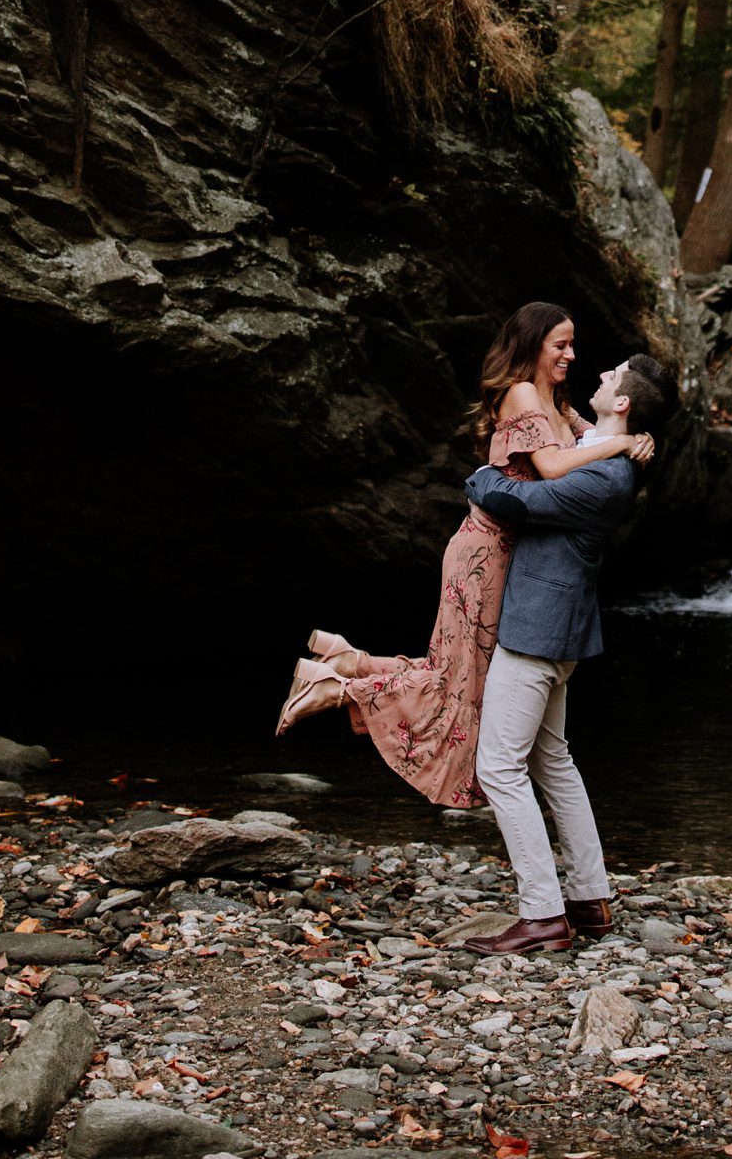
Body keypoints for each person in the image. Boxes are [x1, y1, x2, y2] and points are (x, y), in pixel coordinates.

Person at [272, 307, 658, 845]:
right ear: (532, 345)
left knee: (456, 677)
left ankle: (345, 662)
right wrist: (622, 443)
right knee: (456, 684)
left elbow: (592, 444)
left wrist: (635, 437)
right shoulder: (523, 394)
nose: (572, 355)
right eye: (560, 345)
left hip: (509, 557)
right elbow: (549, 469)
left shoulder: (561, 405)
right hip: (484, 553)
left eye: (573, 345)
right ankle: (337, 689)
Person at [461, 344, 673, 958]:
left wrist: (479, 476)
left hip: (538, 632)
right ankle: (589, 899)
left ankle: (542, 915)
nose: (598, 375)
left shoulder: (602, 477)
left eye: (610, 377)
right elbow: (567, 435)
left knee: (499, 766)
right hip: (559, 630)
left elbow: (517, 501)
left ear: (623, 401)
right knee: (553, 762)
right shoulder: (596, 453)